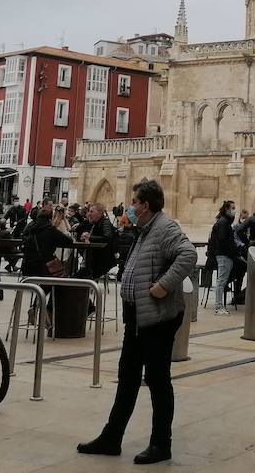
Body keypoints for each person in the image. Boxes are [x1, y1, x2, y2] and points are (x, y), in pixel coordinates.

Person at [78, 179, 196, 466]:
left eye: (134, 202)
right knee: (128, 378)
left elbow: (189, 254)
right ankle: (112, 437)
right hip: (137, 317)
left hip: (157, 318)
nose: (130, 207)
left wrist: (163, 286)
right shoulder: (145, 229)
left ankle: (160, 444)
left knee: (157, 380)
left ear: (145, 205)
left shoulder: (165, 227)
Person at [206, 200, 239, 315]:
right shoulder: (224, 222)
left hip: (225, 255)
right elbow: (222, 240)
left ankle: (220, 306)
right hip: (224, 255)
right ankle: (218, 306)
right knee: (221, 281)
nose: (234, 210)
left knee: (222, 281)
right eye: (232, 208)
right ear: (226, 209)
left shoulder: (224, 222)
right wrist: (233, 250)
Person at [80, 202, 118, 282]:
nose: (89, 214)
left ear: (100, 213)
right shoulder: (94, 223)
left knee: (80, 277)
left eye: (91, 211)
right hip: (94, 260)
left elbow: (107, 237)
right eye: (88, 211)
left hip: (101, 262)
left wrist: (90, 237)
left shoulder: (105, 222)